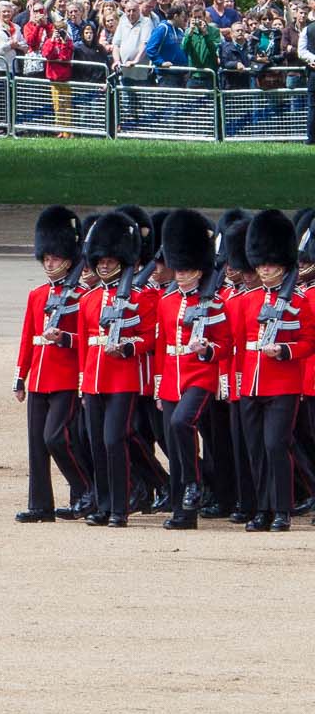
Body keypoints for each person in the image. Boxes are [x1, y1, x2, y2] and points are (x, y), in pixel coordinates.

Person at [74, 214, 156, 527]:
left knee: (113, 440)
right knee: (96, 444)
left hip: (122, 377)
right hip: (94, 378)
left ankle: (120, 507)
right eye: (101, 261)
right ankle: (104, 504)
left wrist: (127, 346)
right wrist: (83, 381)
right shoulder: (89, 298)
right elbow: (84, 343)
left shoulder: (140, 296)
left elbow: (149, 337)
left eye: (110, 261)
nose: (105, 266)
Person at [151, 208, 229, 530]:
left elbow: (226, 343)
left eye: (187, 269)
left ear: (199, 269)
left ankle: (194, 485)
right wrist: (158, 384)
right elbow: (161, 346)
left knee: (183, 423)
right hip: (172, 377)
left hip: (200, 374)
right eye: (178, 269)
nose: (180, 274)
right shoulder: (167, 302)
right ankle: (184, 513)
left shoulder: (215, 301)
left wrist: (208, 351)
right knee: (172, 438)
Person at [228, 210, 306, 532]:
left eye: (270, 265)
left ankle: (282, 509)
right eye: (260, 265)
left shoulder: (299, 300)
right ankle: (262, 508)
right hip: (251, 385)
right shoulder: (248, 301)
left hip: (283, 384)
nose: (263, 270)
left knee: (276, 445)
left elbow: (308, 340)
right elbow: (232, 343)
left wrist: (285, 351)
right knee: (256, 450)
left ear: (283, 265)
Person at [13, 206, 89, 522]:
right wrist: (21, 377)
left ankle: (85, 490)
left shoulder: (82, 295)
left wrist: (65, 339)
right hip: (40, 379)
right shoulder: (37, 295)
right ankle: (40, 505)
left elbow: (85, 338)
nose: (49, 262)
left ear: (69, 260)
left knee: (56, 437)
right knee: (37, 445)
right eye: (46, 258)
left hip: (67, 377)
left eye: (55, 258)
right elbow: (28, 337)